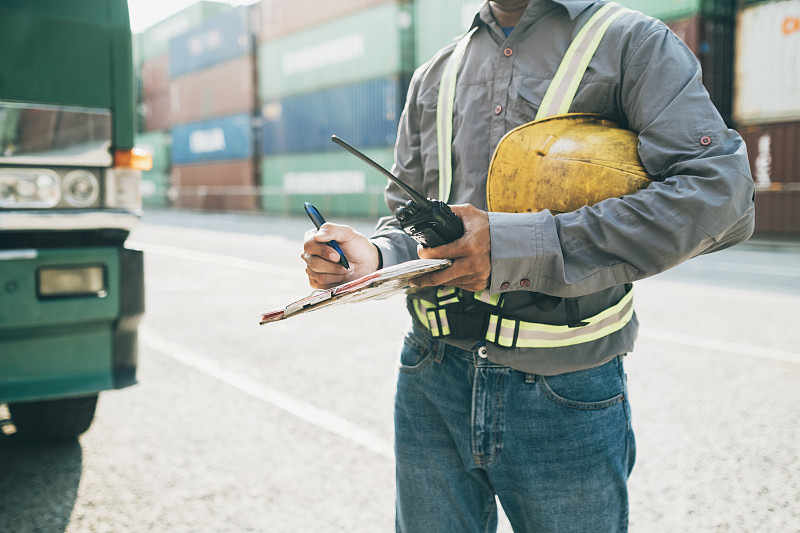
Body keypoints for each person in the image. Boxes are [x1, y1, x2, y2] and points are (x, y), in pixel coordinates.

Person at [301, 0, 755, 531]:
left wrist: (519, 246)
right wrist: (375, 257)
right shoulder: (435, 75)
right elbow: (414, 221)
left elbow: (722, 197)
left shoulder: (632, 42)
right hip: (430, 373)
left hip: (562, 388)